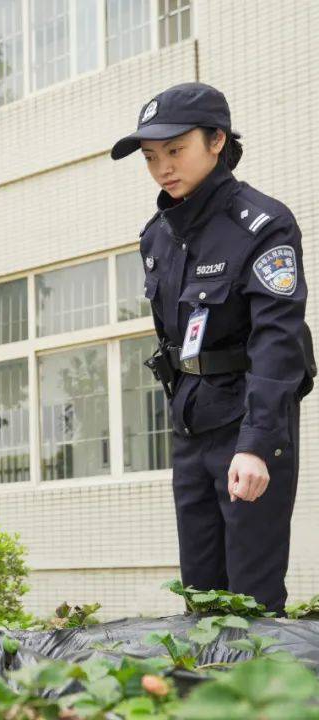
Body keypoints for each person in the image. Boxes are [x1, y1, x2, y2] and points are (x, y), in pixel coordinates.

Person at [112, 82, 314, 614]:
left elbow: (279, 339)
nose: (162, 169)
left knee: (251, 598)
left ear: (217, 140)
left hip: (247, 423)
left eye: (175, 151)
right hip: (192, 427)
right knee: (200, 596)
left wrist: (257, 442)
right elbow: (173, 343)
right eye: (152, 158)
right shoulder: (156, 236)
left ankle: (257, 696)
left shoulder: (262, 224)